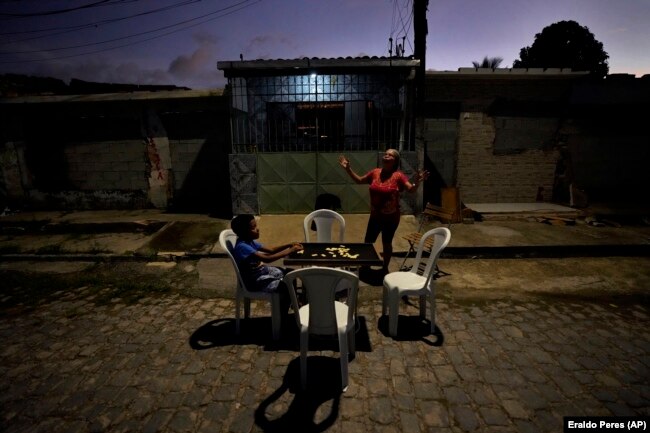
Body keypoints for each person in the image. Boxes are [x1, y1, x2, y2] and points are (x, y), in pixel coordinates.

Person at [338, 149, 429, 273]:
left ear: (395, 161)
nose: (386, 155)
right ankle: (365, 266)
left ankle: (385, 268)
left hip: (391, 218)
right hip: (375, 216)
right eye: (386, 154)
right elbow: (359, 180)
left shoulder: (398, 176)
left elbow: (411, 190)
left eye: (390, 155)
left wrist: (417, 182)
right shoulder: (375, 172)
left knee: (386, 242)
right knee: (368, 242)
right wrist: (348, 169)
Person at [230, 214, 303, 311]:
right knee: (284, 286)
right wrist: (290, 250)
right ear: (244, 232)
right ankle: (282, 315)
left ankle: (293, 303)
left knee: (291, 273)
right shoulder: (242, 247)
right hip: (254, 281)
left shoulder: (249, 241)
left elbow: (271, 250)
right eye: (253, 227)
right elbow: (267, 259)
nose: (257, 229)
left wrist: (289, 245)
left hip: (262, 272)